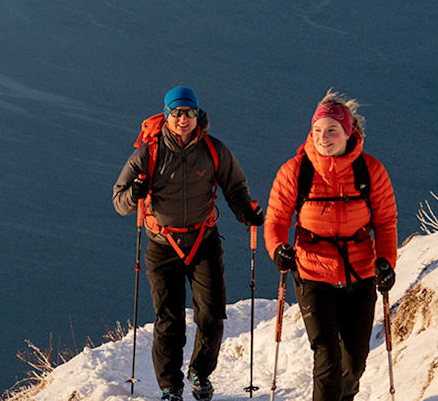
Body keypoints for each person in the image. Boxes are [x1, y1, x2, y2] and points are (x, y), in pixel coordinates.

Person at [113, 86, 264, 401]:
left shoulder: (214, 150)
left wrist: (246, 213)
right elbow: (119, 200)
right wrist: (134, 194)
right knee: (169, 320)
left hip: (203, 241)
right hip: (162, 244)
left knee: (211, 314)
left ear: (198, 115)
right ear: (167, 115)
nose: (183, 119)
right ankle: (170, 387)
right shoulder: (148, 153)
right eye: (177, 113)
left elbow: (235, 186)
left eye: (189, 112)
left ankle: (200, 373)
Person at [264, 91, 398, 401]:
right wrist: (278, 249)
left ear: (349, 133)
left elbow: (386, 222)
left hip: (360, 272)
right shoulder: (296, 171)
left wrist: (386, 262)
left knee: (354, 361)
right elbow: (275, 221)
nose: (324, 138)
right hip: (312, 272)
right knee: (326, 357)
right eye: (317, 131)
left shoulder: (370, 170)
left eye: (332, 130)